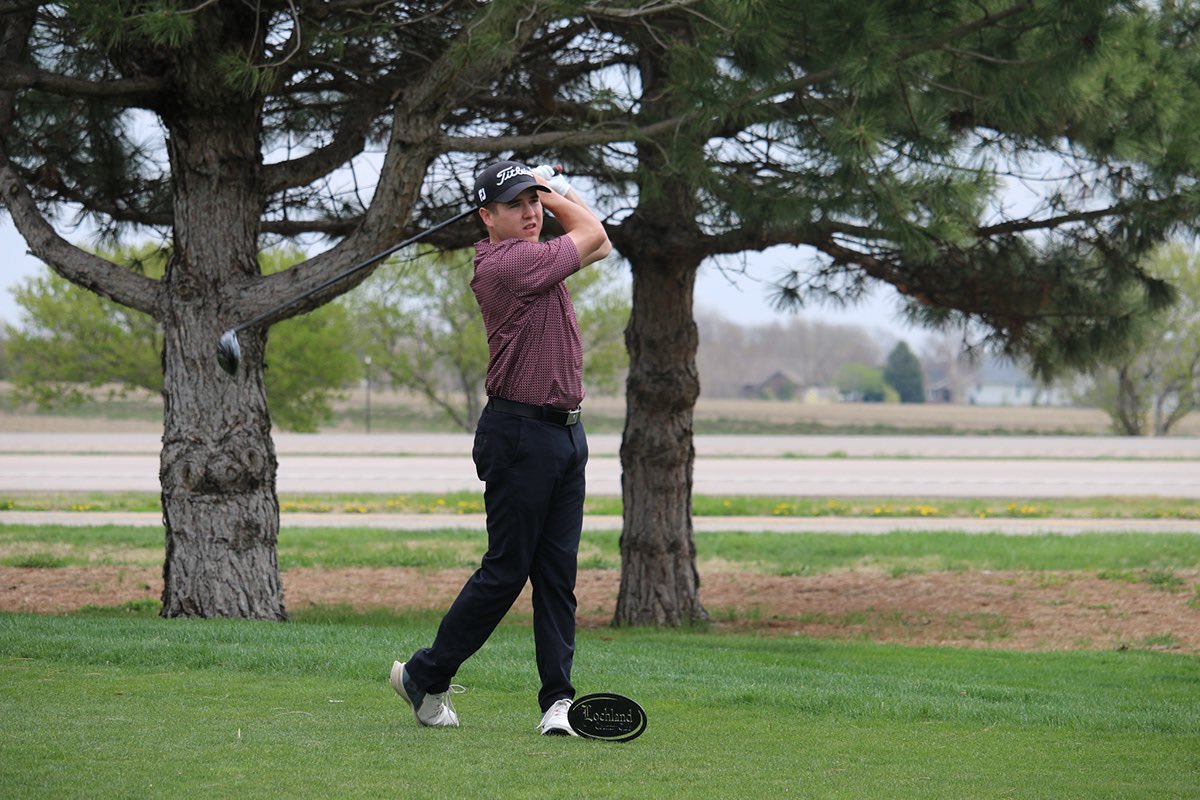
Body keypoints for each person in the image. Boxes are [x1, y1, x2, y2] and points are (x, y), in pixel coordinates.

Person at [390, 160, 612, 736]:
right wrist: (556, 188)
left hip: (565, 433)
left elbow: (601, 242)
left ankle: (558, 702)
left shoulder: (535, 254)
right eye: (516, 204)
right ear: (486, 218)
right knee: (507, 570)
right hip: (519, 435)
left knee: (557, 575)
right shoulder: (507, 263)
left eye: (532, 202)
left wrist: (549, 189)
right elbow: (588, 233)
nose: (531, 212)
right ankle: (425, 673)